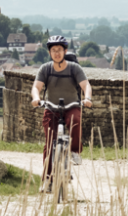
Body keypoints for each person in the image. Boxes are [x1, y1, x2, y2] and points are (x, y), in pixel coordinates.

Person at [30, 35, 92, 192]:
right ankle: (47, 180)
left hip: (72, 105)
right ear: (49, 52)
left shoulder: (74, 68)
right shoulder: (45, 68)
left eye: (59, 50)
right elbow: (36, 87)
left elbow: (86, 85)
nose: (56, 53)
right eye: (53, 50)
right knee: (49, 144)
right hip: (51, 107)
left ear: (65, 51)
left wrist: (87, 98)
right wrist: (36, 98)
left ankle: (74, 150)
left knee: (76, 120)